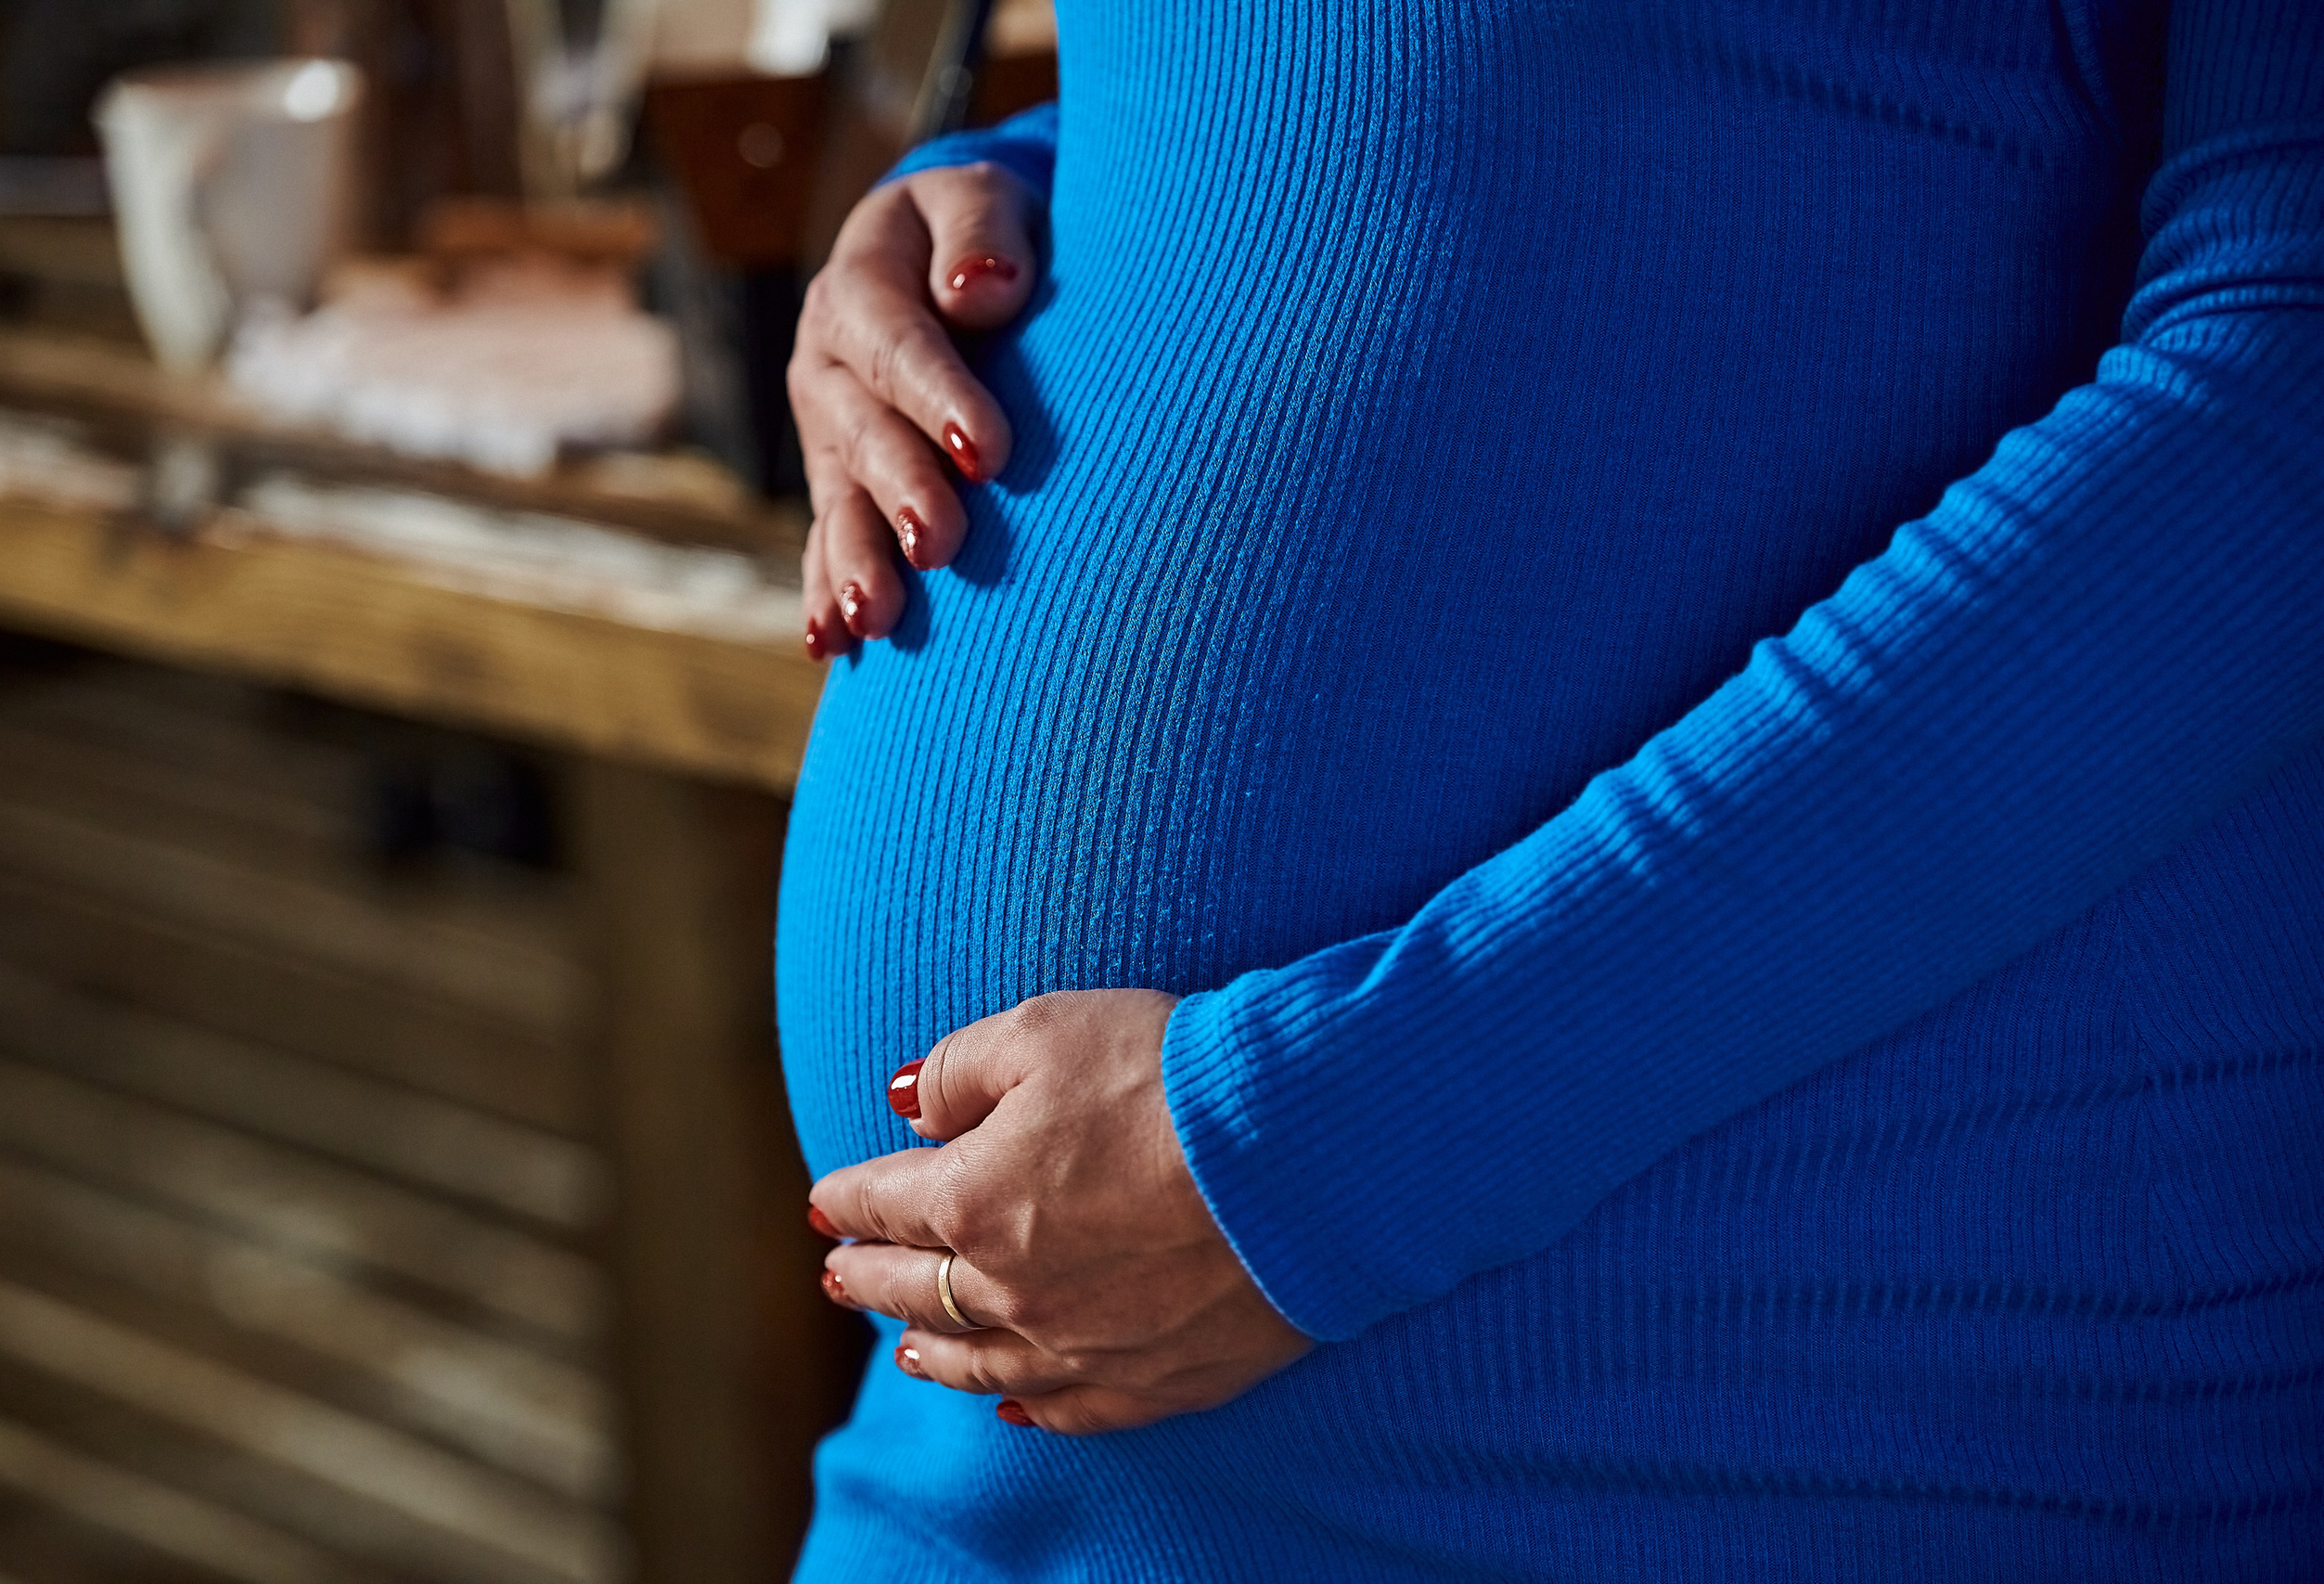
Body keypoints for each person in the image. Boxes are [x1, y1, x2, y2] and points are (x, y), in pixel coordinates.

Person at [776, 0, 2323, 1577]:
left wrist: (1347, 1145)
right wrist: (1021, 187)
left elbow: (2289, 371)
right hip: (974, 1449)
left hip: (1768, 1455)